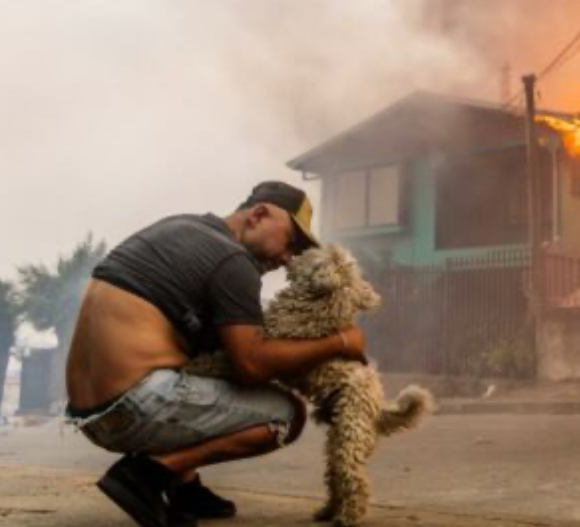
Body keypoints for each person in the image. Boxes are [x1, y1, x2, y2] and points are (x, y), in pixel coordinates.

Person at [65, 181, 367, 527]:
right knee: (287, 414)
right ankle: (149, 475)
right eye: (290, 242)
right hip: (135, 405)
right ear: (259, 215)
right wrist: (340, 342)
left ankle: (185, 487)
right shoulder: (233, 261)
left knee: (199, 366)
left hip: (90, 416)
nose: (288, 258)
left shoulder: (181, 227)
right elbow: (251, 366)